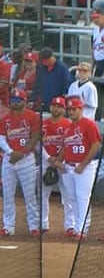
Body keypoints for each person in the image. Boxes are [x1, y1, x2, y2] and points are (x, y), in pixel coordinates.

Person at [50, 97, 101, 240]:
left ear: (81, 109)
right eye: (69, 109)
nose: (71, 112)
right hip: (69, 167)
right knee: (71, 198)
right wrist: (59, 161)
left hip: (85, 168)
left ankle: (81, 229)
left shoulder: (89, 124)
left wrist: (83, 164)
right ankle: (76, 227)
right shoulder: (69, 127)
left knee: (82, 198)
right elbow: (66, 147)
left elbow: (96, 145)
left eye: (74, 109)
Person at [0, 91, 42, 238]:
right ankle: (8, 226)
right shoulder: (6, 119)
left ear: (24, 100)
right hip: (9, 160)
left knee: (30, 195)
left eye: (18, 99)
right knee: (8, 194)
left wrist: (21, 153)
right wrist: (11, 152)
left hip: (27, 159)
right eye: (13, 99)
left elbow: (35, 137)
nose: (14, 102)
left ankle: (34, 226)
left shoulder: (32, 116)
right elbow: (2, 139)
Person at [41, 97, 72, 235]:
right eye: (54, 105)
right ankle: (43, 223)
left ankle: (70, 225)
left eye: (59, 106)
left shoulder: (68, 124)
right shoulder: (43, 124)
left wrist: (58, 160)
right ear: (50, 107)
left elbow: (69, 144)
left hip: (63, 163)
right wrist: (49, 158)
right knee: (43, 194)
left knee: (68, 195)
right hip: (46, 160)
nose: (56, 108)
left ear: (63, 109)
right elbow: (39, 144)